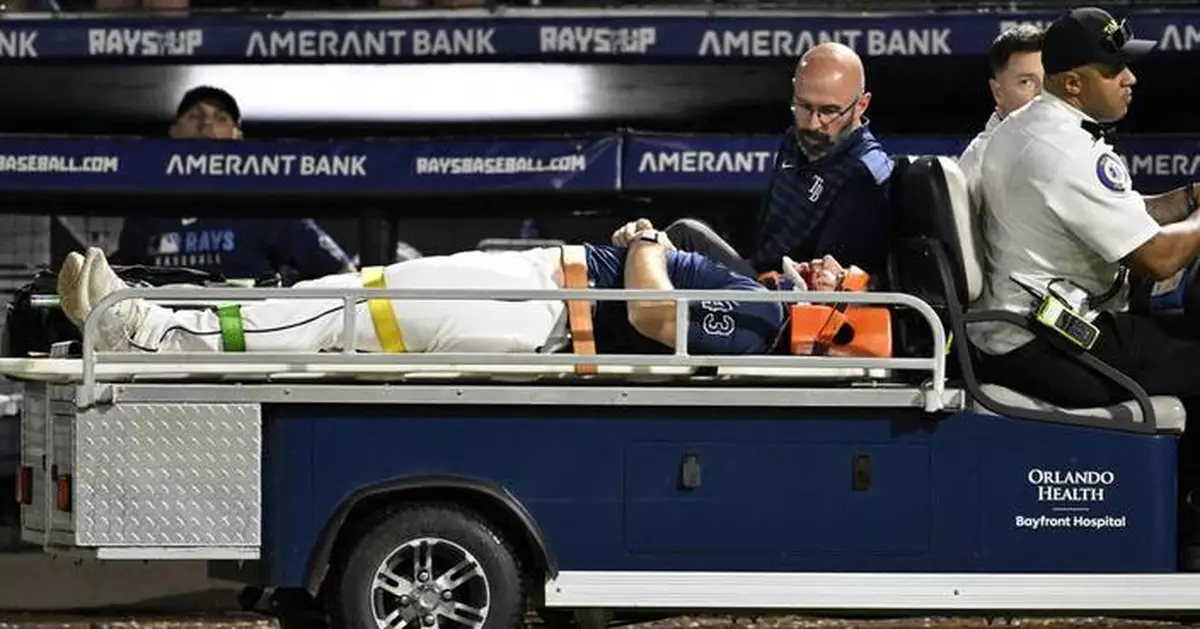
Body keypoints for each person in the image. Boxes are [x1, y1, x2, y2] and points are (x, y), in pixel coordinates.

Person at [56, 219, 852, 357]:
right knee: (345, 291)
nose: (826, 266)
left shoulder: (765, 319)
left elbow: (649, 313)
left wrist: (646, 244)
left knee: (342, 312)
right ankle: (156, 314)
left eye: (840, 281)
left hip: (545, 313)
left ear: (828, 315)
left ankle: (148, 332)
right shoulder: (755, 288)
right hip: (541, 289)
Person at [970, 6, 1200, 410]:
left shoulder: (1027, 125)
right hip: (1046, 347)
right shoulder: (1066, 151)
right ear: (1073, 83)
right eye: (1114, 71)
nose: (1130, 78)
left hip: (1024, 333)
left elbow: (1122, 215)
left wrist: (1190, 199)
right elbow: (1160, 259)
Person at [665, 42, 895, 280]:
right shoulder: (795, 139)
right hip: (759, 277)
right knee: (658, 244)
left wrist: (774, 282)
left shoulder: (864, 176)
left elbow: (832, 282)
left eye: (828, 111)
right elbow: (766, 240)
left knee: (684, 236)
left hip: (790, 296)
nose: (813, 124)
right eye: (804, 106)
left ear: (861, 105)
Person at [112, 86, 357, 285]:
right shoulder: (147, 209)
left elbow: (344, 274)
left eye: (221, 118)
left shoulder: (266, 202)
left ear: (237, 135)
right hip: (164, 328)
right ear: (174, 131)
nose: (206, 124)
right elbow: (120, 281)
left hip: (243, 328)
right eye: (195, 115)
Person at [958, 24, 1045, 213]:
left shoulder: (1073, 140)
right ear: (997, 92)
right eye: (1026, 82)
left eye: (1048, 82)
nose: (1041, 95)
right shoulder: (977, 165)